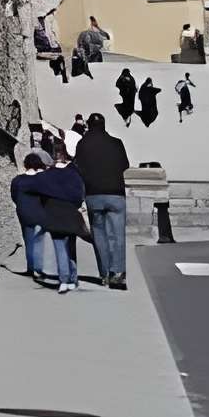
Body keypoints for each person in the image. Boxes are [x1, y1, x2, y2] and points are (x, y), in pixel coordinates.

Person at [12, 151, 88, 292]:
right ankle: (73, 278)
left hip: (51, 216)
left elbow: (22, 190)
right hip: (69, 214)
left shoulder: (40, 178)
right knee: (71, 248)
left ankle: (61, 279)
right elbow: (79, 195)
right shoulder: (72, 175)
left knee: (58, 248)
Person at [74, 115, 131, 289]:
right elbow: (125, 165)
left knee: (99, 235)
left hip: (93, 194)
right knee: (118, 234)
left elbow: (78, 166)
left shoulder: (82, 144)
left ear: (89, 126)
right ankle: (118, 273)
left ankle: (104, 273)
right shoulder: (116, 142)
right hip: (116, 194)